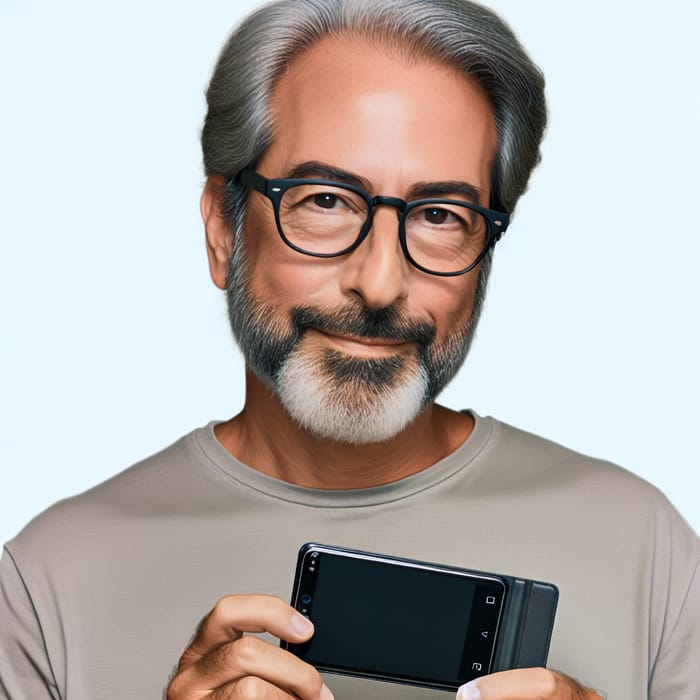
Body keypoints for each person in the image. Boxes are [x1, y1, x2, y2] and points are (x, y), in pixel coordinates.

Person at [1, 0, 698, 698]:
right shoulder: (46, 586)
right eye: (326, 200)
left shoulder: (646, 547)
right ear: (223, 229)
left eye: (439, 216)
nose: (380, 282)